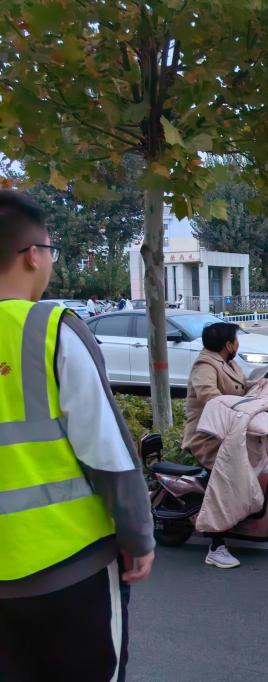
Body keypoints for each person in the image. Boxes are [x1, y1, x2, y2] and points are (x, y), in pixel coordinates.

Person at [0, 190, 154, 681]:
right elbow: (107, 452)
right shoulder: (49, 330)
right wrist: (137, 536)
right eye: (50, 250)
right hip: (70, 569)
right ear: (32, 255)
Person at [182, 321, 254, 569]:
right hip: (208, 435)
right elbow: (208, 395)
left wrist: (259, 388)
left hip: (230, 430)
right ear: (228, 344)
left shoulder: (229, 362)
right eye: (236, 340)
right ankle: (216, 546)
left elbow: (241, 387)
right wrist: (238, 407)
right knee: (224, 481)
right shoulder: (205, 364)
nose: (238, 344)